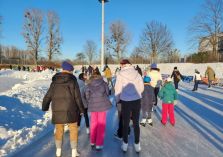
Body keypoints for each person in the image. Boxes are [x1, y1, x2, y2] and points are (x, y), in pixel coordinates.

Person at [42, 61, 84, 157]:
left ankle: (58, 151)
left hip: (57, 109)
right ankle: (74, 152)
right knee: (73, 129)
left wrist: (45, 106)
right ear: (70, 71)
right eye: (72, 71)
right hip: (71, 109)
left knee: (59, 129)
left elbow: (48, 95)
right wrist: (82, 109)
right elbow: (77, 97)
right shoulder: (73, 81)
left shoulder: (54, 82)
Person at [115, 59, 144, 153]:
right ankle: (137, 145)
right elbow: (142, 87)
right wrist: (136, 94)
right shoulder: (137, 73)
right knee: (136, 123)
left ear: (123, 65)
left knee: (125, 122)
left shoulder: (120, 74)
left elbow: (118, 89)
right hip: (136, 100)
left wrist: (117, 100)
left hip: (125, 101)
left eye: (121, 65)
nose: (120, 66)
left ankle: (125, 145)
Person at [85, 71, 112, 151]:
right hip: (102, 106)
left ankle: (92, 141)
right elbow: (107, 93)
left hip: (93, 106)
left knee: (93, 123)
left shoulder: (89, 84)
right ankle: (99, 144)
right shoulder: (104, 83)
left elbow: (87, 95)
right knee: (101, 124)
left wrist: (91, 100)